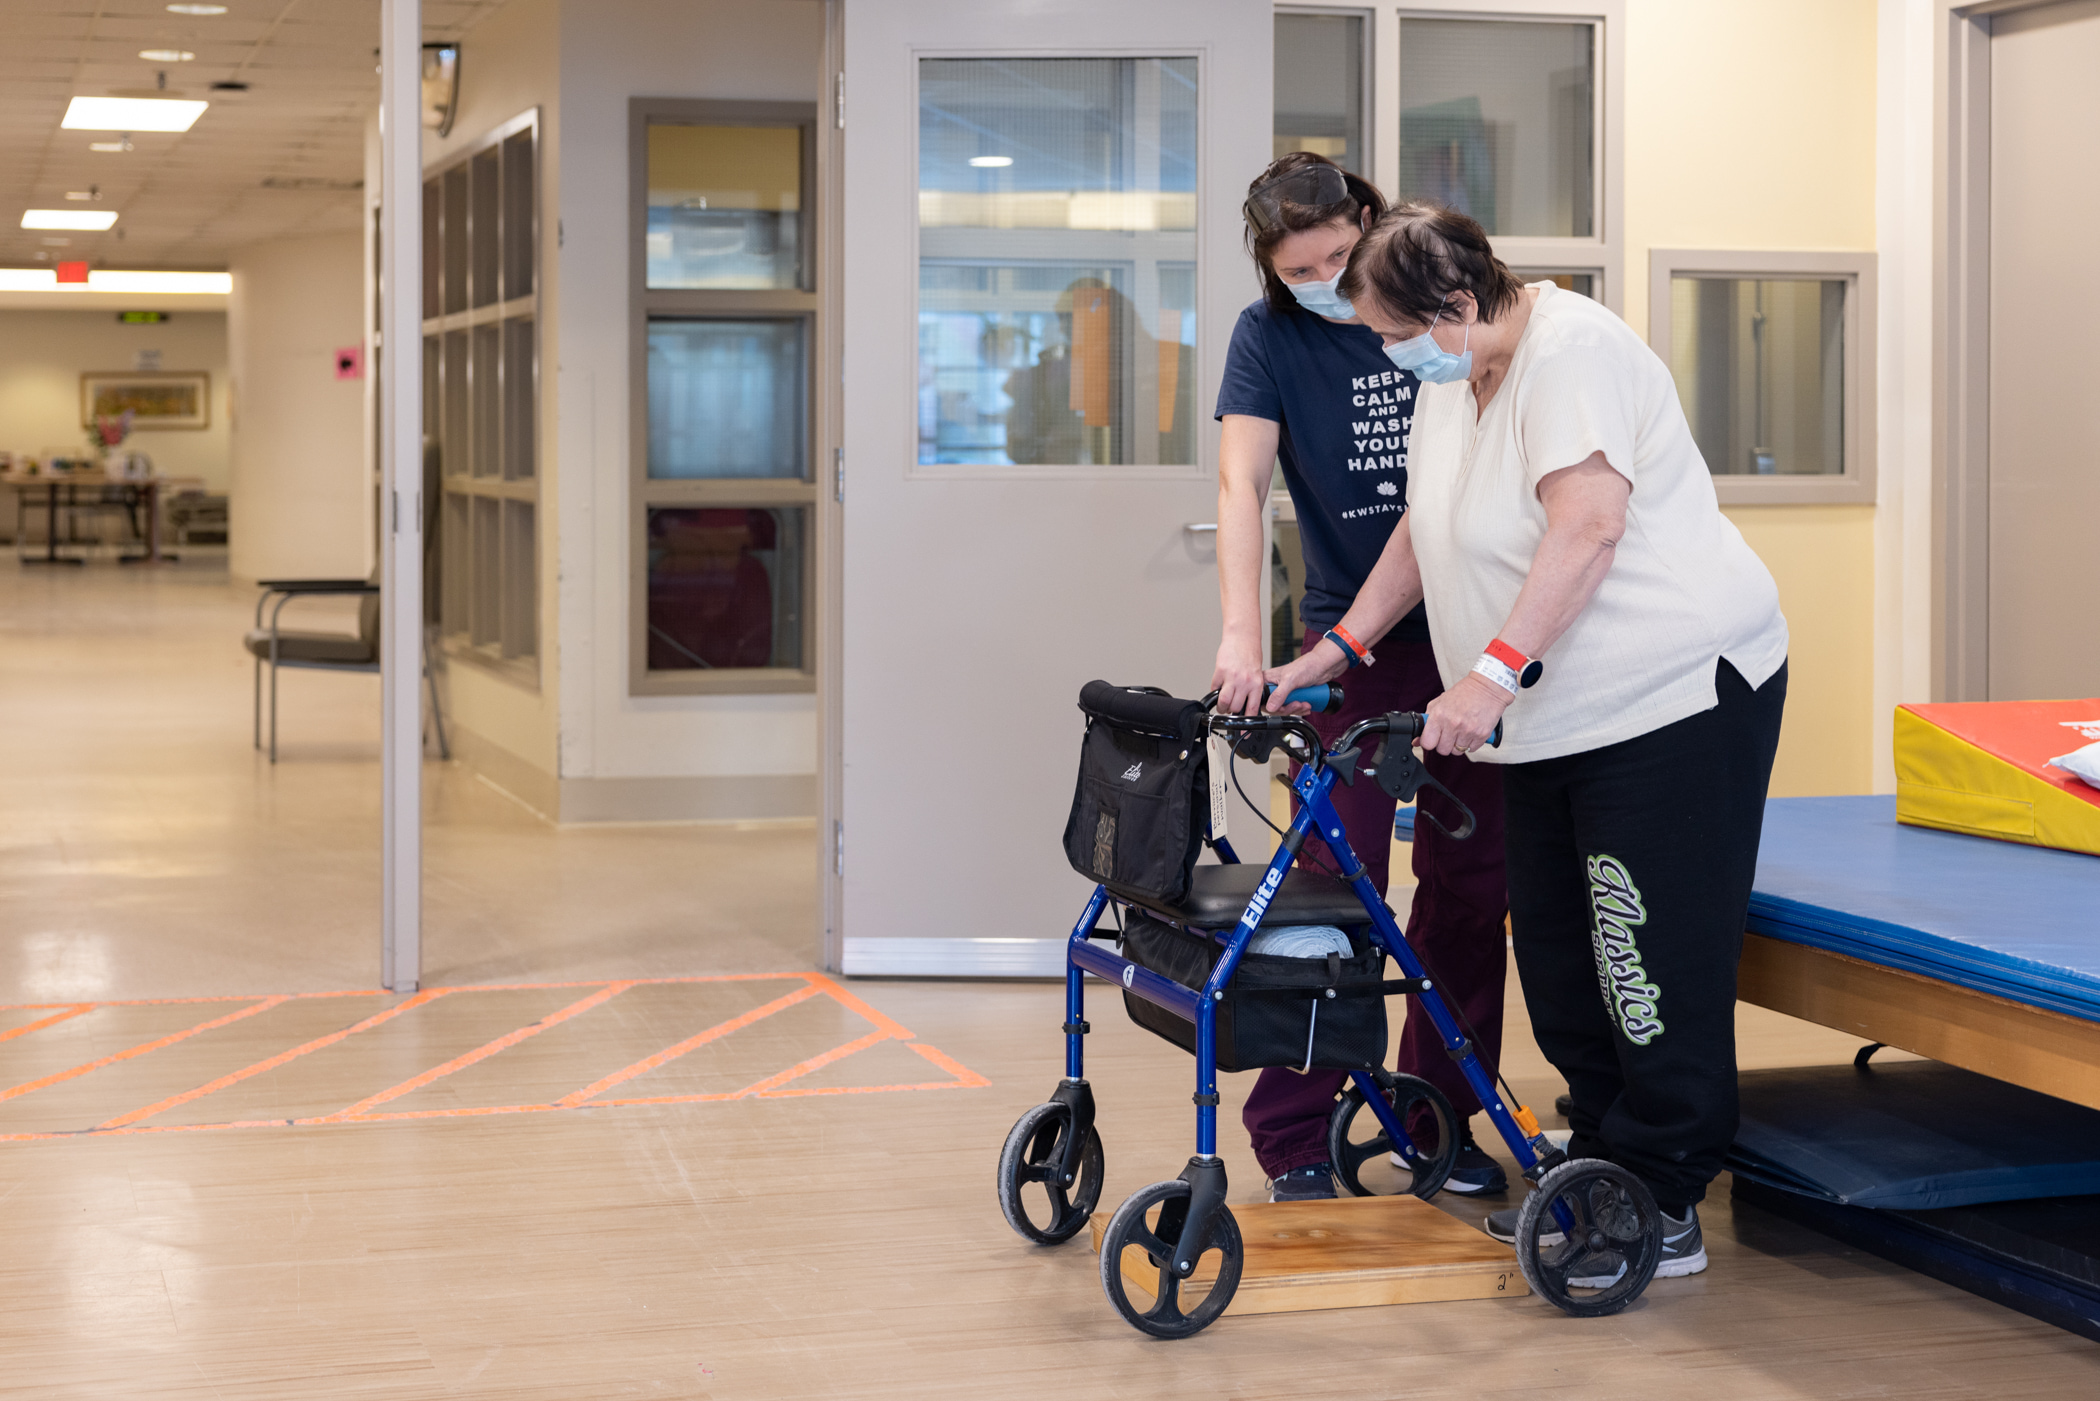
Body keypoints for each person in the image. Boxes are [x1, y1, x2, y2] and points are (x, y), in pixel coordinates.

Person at [1264, 202, 1791, 1281]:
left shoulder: (1574, 351)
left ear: (1456, 305)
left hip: (1671, 694)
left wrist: (1491, 673)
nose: (1381, 349)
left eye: (1388, 331)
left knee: (1643, 949)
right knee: (1553, 942)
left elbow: (1588, 525)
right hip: (1553, 713)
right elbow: (1429, 520)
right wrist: (1341, 649)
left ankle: (1667, 1195)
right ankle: (1602, 1161)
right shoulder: (1456, 374)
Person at [1212, 153, 1512, 1202]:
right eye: (1304, 268)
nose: (1329, 282)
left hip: (1476, 638)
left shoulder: (1437, 315)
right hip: (1349, 641)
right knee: (1327, 892)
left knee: (1469, 889)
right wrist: (1242, 639)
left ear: (1375, 228)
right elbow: (1243, 485)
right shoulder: (1271, 337)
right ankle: (1297, 1133)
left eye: (1342, 256)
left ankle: (1439, 1117)